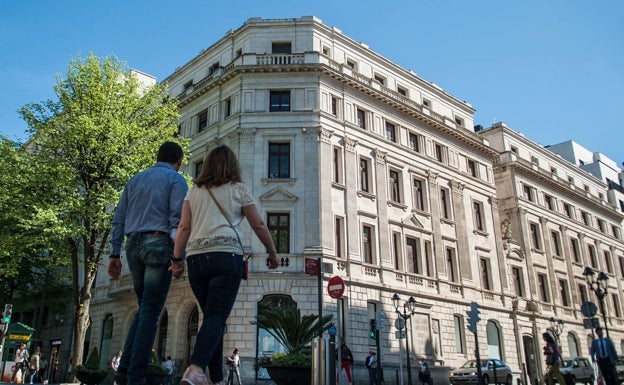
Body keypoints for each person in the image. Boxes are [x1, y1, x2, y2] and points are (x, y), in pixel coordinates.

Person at [173, 145, 278, 385]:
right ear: (233, 166)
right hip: (226, 257)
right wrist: (272, 252)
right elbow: (259, 225)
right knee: (216, 317)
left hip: (196, 261)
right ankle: (196, 368)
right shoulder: (238, 190)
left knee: (211, 318)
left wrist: (176, 259)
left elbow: (184, 228)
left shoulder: (193, 193)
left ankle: (216, 378)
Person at [108, 141, 188, 385]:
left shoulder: (134, 180)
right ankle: (136, 377)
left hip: (132, 246)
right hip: (159, 244)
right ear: (179, 160)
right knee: (151, 312)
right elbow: (177, 218)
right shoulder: (176, 180)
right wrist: (178, 257)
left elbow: (119, 218)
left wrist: (114, 253)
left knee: (144, 309)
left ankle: (124, 371)